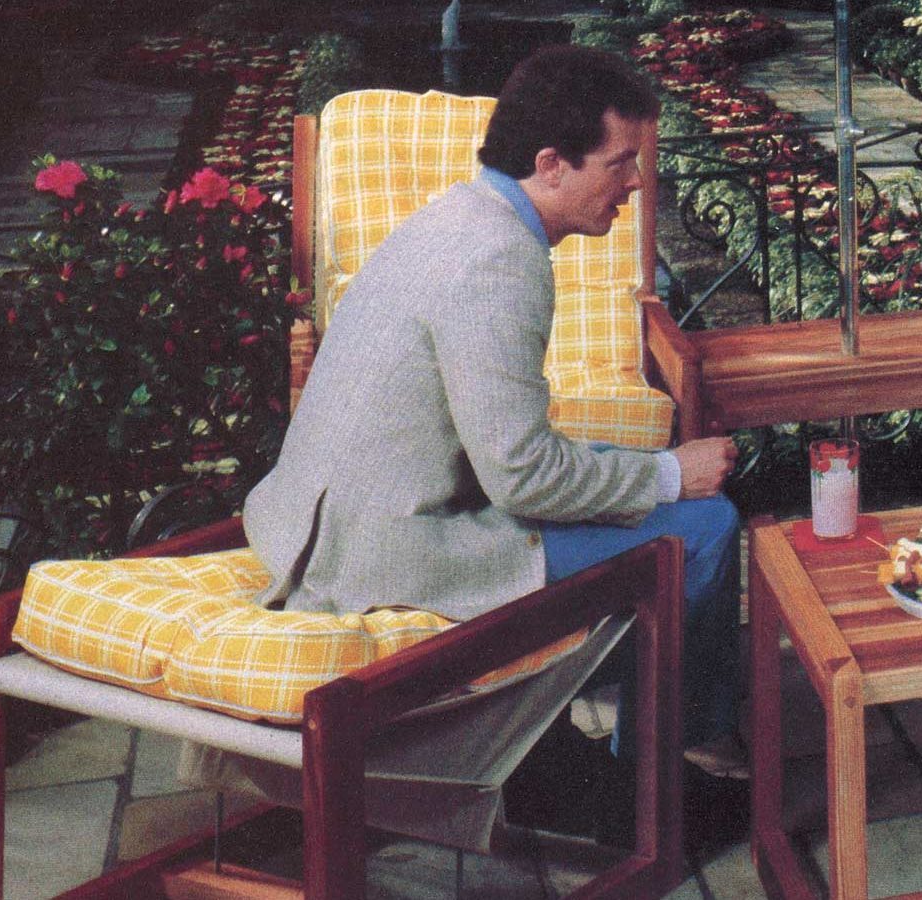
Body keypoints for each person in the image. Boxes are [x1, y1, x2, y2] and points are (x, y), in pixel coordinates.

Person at [242, 45, 744, 784]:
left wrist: (642, 472)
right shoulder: (500, 259)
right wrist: (669, 472)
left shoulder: (457, 212)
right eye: (620, 163)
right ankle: (661, 773)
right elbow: (522, 479)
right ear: (551, 164)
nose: (637, 184)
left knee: (627, 473)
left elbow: (501, 448)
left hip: (328, 519)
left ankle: (635, 722)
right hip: (383, 552)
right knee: (705, 529)